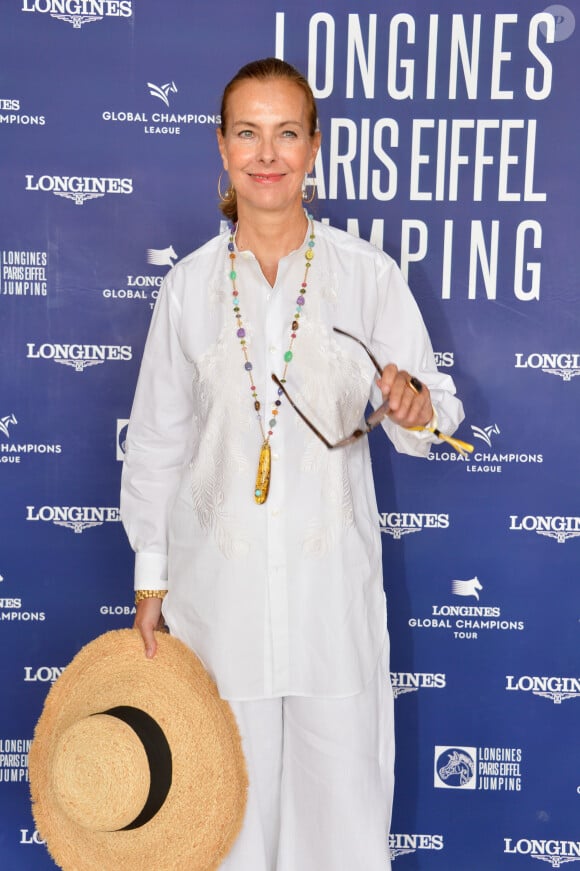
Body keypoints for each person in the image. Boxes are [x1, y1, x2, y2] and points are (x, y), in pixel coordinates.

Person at [120, 57, 465, 871]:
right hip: (216, 610)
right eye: (248, 132)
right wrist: (151, 584)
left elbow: (433, 407)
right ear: (222, 146)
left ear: (314, 146)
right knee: (221, 826)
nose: (266, 153)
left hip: (329, 610)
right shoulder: (190, 289)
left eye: (285, 133)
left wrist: (417, 406)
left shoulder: (364, 276)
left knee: (339, 831)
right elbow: (159, 443)